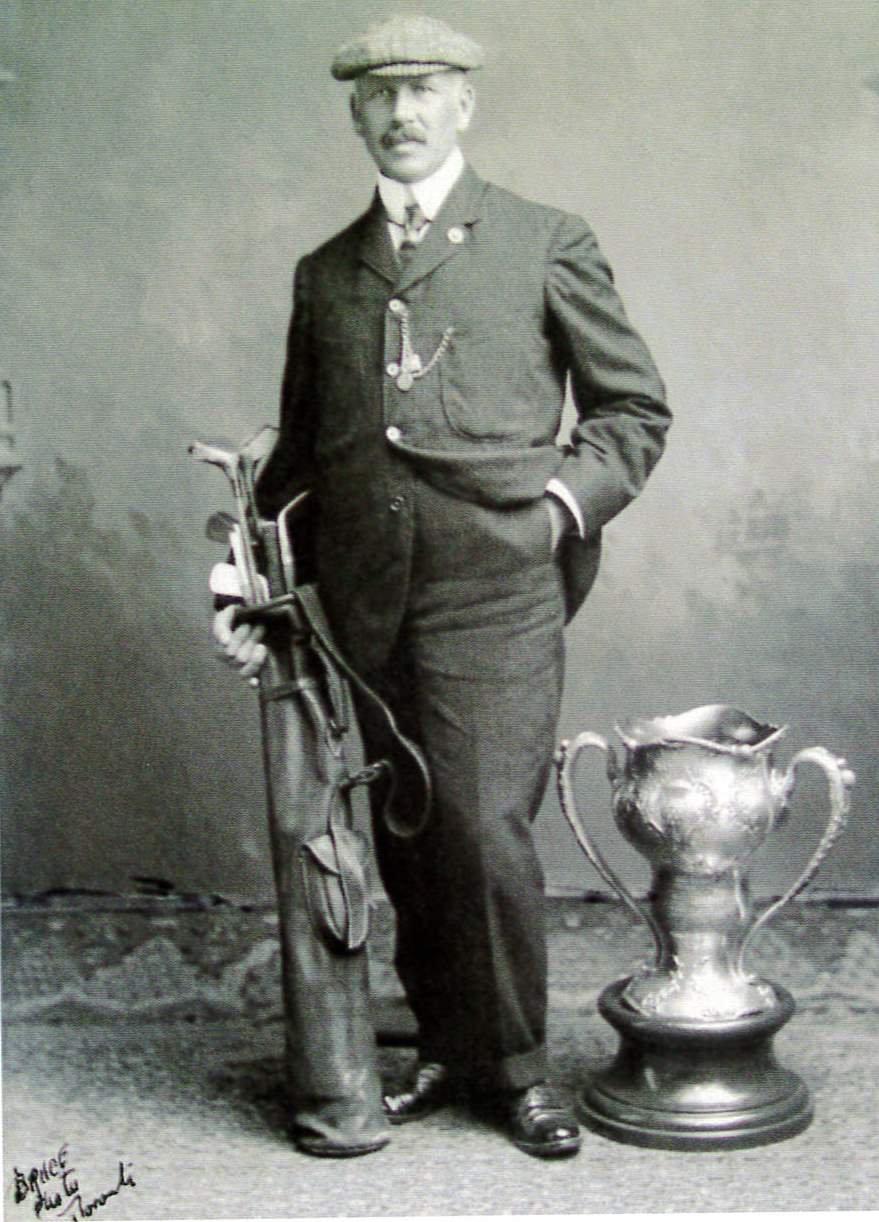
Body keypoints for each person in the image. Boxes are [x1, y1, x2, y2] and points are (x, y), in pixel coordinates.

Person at [214, 13, 671, 1159]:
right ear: (355, 114)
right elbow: (303, 458)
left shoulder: (542, 238)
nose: (403, 113)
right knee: (410, 828)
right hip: (366, 602)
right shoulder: (325, 274)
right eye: (381, 97)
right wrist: (244, 577)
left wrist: (558, 511)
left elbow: (633, 411)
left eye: (425, 92)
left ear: (466, 103)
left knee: (480, 826)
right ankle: (444, 1045)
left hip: (498, 593)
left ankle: (516, 1067)